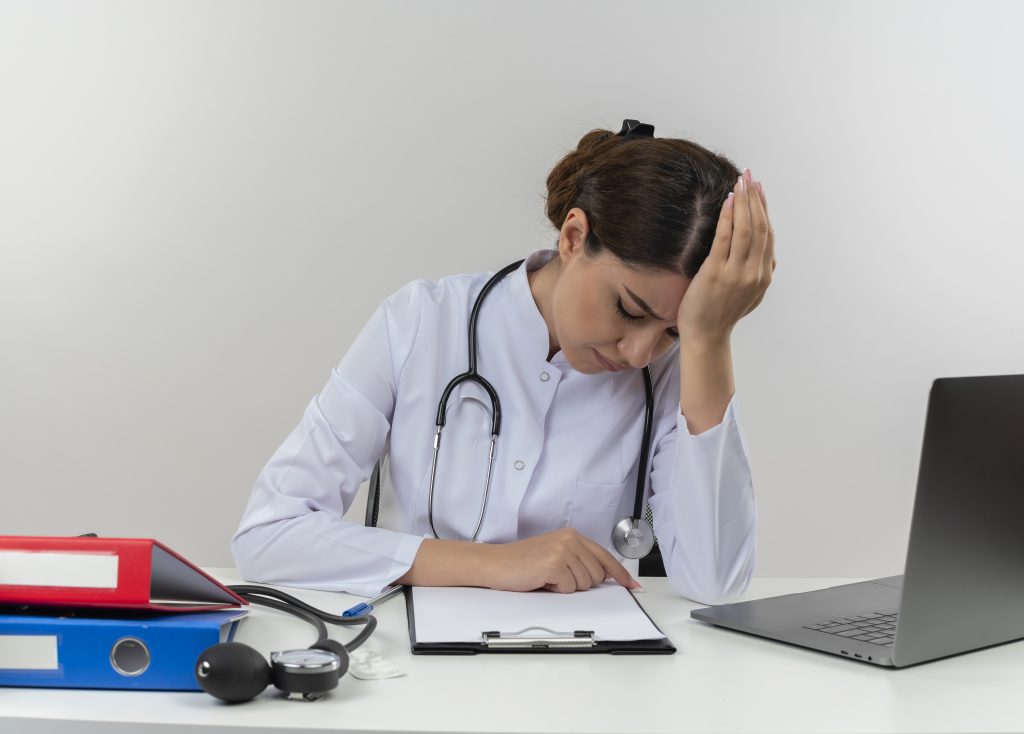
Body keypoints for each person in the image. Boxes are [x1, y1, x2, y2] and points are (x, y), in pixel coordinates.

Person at [232, 121, 775, 605]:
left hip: (593, 678)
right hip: (415, 670)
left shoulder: (678, 370)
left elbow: (716, 583)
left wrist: (710, 339)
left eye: (673, 330)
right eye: (629, 309)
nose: (638, 353)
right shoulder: (420, 322)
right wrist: (495, 564)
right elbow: (269, 534)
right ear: (573, 236)